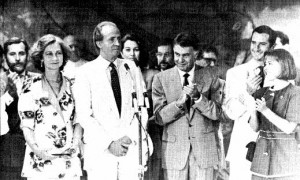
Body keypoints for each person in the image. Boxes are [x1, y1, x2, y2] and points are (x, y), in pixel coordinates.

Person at [73, 21, 153, 180]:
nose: (117, 43)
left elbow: (142, 109)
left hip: (129, 149)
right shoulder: (85, 73)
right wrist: (110, 144)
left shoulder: (131, 68)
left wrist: (128, 137)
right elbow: (84, 115)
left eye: (118, 39)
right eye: (111, 39)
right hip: (100, 153)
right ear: (99, 43)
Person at [152, 32, 221, 180]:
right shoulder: (160, 79)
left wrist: (198, 98)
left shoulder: (211, 75)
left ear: (196, 54)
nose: (179, 60)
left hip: (204, 152)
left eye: (185, 55)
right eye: (176, 54)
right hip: (174, 153)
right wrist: (178, 104)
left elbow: (217, 114)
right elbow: (158, 118)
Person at [18, 34, 82, 179]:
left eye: (58, 53)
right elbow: (27, 125)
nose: (54, 58)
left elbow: (79, 119)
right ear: (41, 57)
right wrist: (37, 150)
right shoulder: (30, 87)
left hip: (68, 160)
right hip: (41, 160)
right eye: (49, 54)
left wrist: (76, 142)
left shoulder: (73, 85)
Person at [223, 25, 277, 180]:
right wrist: (247, 93)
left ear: (272, 46)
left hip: (271, 149)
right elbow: (230, 113)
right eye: (253, 43)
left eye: (262, 44)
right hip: (242, 147)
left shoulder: (281, 75)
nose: (256, 48)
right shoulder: (234, 73)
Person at [249, 49, 300, 179]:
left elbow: (289, 128)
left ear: (284, 64)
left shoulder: (295, 92)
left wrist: (265, 110)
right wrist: (250, 102)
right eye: (265, 63)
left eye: (270, 63)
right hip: (260, 160)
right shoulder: (262, 92)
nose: (265, 68)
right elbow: (255, 128)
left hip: (285, 160)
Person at [0, 37, 41, 180]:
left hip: (37, 152)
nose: (17, 58)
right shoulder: (1, 81)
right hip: (9, 155)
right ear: (5, 57)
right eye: (12, 54)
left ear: (27, 55)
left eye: (21, 53)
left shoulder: (39, 80)